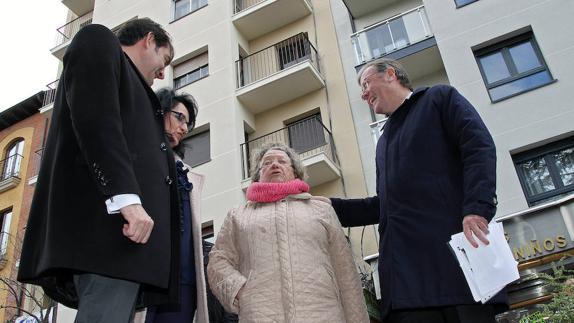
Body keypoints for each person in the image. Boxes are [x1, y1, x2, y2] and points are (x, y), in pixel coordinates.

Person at [17, 18, 179, 323]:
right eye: (164, 58)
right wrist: (127, 199)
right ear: (148, 39)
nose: (162, 72)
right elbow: (97, 121)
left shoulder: (136, 89)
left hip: (124, 245)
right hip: (112, 235)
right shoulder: (98, 40)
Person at [330, 58, 506, 323]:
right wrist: (322, 206)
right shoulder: (383, 143)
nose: (364, 94)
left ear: (390, 74)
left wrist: (476, 208)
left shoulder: (439, 98)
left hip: (454, 264)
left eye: (366, 83)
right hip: (406, 283)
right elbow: (385, 205)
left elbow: (478, 147)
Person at [207, 143, 369, 323]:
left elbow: (346, 273)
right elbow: (218, 260)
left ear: (295, 172)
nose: (274, 165)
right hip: (260, 316)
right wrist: (239, 290)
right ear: (258, 176)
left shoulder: (321, 209)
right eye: (267, 163)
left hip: (324, 314)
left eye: (282, 161)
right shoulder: (238, 216)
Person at [142, 88, 209, 323]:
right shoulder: (134, 154)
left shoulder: (185, 172)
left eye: (187, 125)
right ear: (158, 110)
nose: (183, 128)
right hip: (145, 272)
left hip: (183, 281)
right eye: (179, 117)